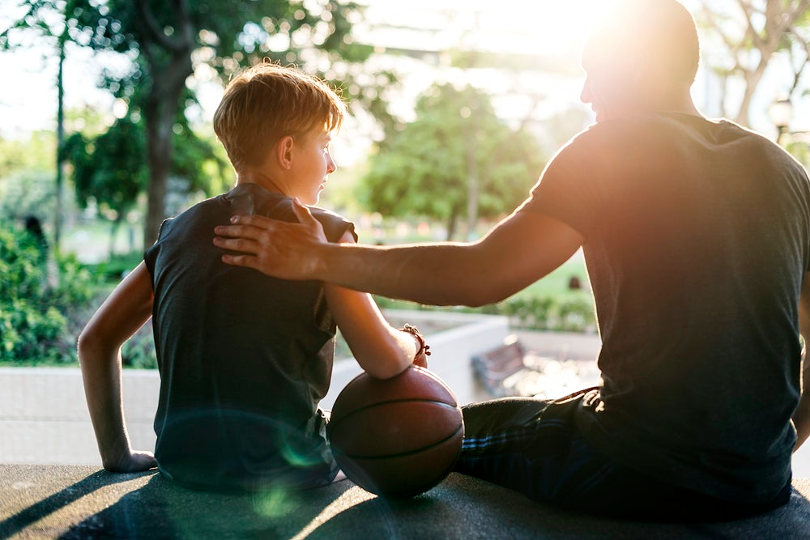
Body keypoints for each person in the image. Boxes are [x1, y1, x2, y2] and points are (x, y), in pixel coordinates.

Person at [212, 0, 810, 521]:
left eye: (594, 72)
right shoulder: (784, 171)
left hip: (639, 467)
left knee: (420, 431)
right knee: (504, 412)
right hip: (762, 481)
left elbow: (481, 273)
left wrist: (318, 259)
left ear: (637, 64)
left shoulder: (611, 147)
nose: (585, 93)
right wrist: (775, 448)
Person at [77, 63, 428, 492]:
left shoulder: (176, 233)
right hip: (286, 474)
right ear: (286, 152)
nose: (332, 165)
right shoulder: (326, 235)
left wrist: (117, 456)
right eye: (324, 145)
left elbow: (94, 342)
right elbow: (383, 360)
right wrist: (412, 341)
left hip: (181, 466)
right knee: (407, 412)